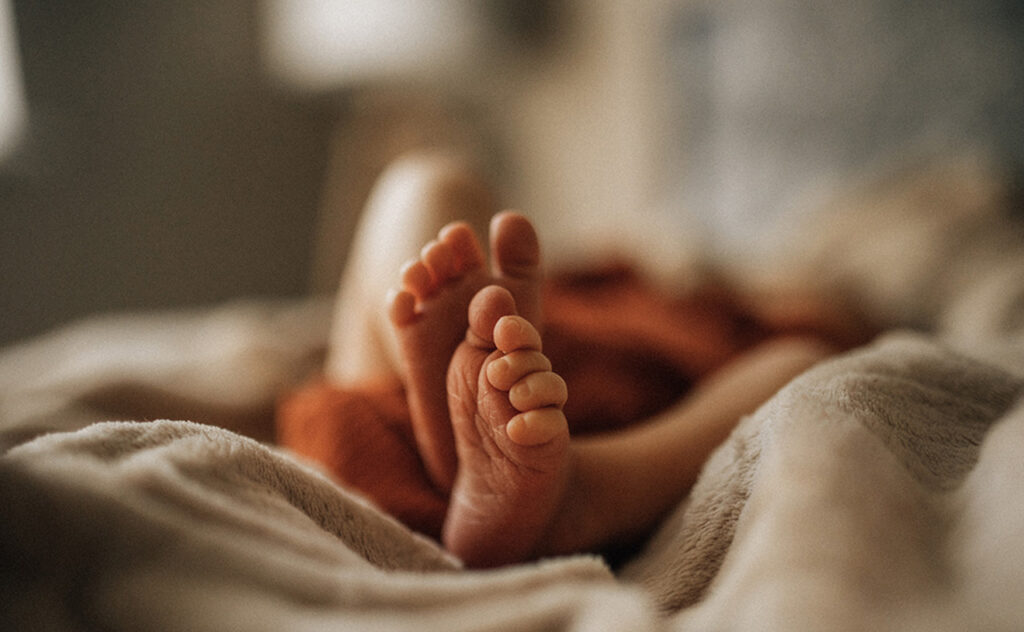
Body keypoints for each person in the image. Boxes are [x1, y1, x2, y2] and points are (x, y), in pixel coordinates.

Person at [278, 152, 867, 568]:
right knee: (431, 189)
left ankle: (574, 488)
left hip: (549, 429)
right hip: (510, 393)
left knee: (805, 362)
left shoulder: (755, 321)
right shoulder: (631, 281)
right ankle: (466, 422)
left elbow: (838, 334)